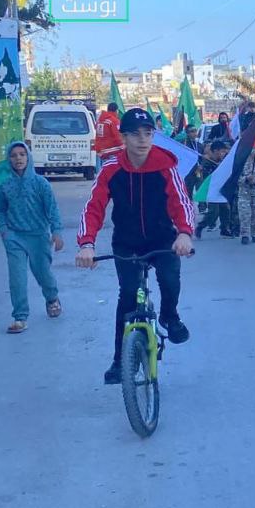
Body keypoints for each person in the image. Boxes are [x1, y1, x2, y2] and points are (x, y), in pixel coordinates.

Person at [77, 108, 195, 385]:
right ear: (123, 138)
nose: (142, 139)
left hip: (162, 239)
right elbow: (93, 207)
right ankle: (120, 360)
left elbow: (181, 202)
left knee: (169, 278)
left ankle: (169, 316)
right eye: (135, 134)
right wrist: (87, 244)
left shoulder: (166, 166)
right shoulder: (111, 168)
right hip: (126, 242)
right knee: (128, 295)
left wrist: (184, 234)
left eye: (148, 133)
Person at [0, 142, 63, 334]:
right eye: (13, 155)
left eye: (22, 154)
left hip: (38, 236)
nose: (18, 158)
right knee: (17, 278)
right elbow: (0, 209)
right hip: (14, 237)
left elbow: (52, 209)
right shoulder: (5, 185)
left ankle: (52, 298)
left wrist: (56, 231)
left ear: (28, 157)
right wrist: (4, 230)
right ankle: (20, 317)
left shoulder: (40, 183)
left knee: (43, 274)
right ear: (9, 160)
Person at [194, 140, 234, 239]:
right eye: (222, 151)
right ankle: (200, 227)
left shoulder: (223, 161)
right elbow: (203, 175)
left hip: (221, 189)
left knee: (226, 209)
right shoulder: (207, 161)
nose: (223, 154)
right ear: (216, 151)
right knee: (213, 212)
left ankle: (224, 229)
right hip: (212, 190)